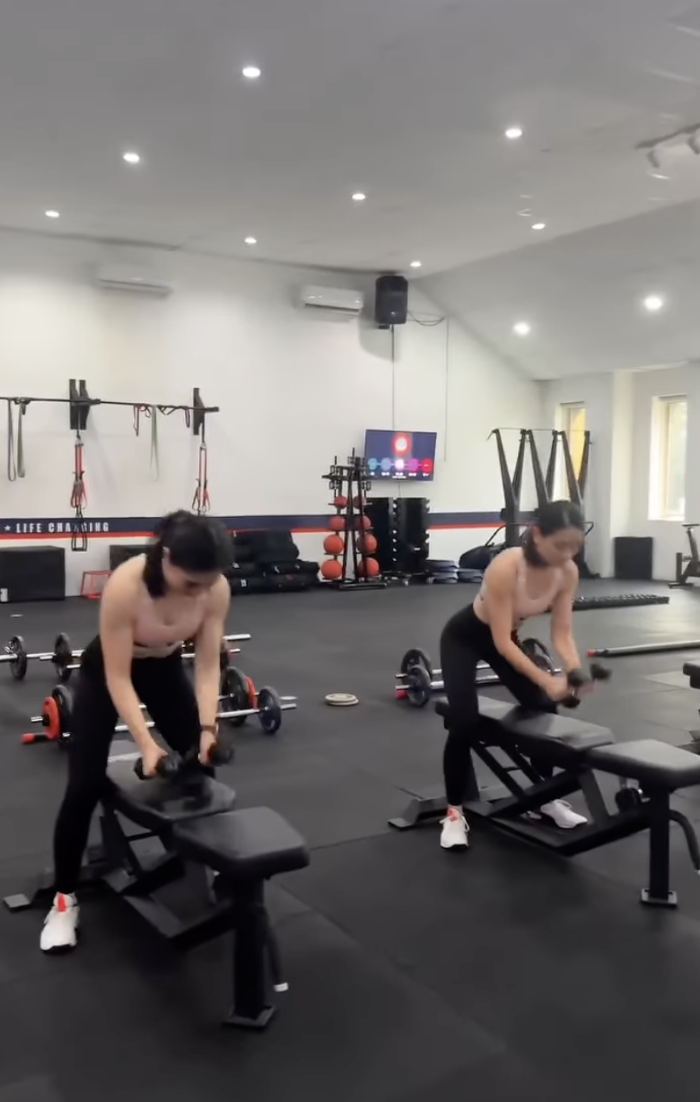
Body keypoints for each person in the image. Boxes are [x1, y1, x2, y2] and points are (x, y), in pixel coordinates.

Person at [40, 510, 232, 952]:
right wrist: (146, 745)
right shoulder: (127, 586)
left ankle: (216, 863)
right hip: (107, 672)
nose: (201, 592)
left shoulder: (215, 587)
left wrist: (208, 730)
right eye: (192, 583)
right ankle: (64, 901)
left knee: (201, 763)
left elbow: (207, 664)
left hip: (164, 667)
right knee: (84, 785)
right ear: (166, 557)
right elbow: (118, 676)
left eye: (208, 583)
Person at [439, 499, 589, 851]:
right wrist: (547, 679)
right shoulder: (506, 567)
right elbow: (503, 644)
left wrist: (573, 671)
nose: (568, 554)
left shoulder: (567, 572)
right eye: (560, 545)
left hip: (504, 636)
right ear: (537, 535)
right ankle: (454, 813)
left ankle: (541, 799)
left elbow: (562, 633)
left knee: (545, 708)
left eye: (575, 546)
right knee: (464, 721)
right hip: (464, 637)